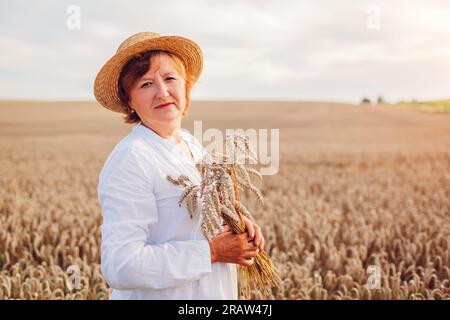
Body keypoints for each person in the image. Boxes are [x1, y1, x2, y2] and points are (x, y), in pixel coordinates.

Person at [93, 32, 265, 299]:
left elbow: (194, 221)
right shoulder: (131, 160)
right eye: (146, 84)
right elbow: (122, 266)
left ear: (185, 86)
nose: (162, 92)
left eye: (170, 78)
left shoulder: (191, 145)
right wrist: (212, 252)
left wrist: (237, 225)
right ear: (130, 100)